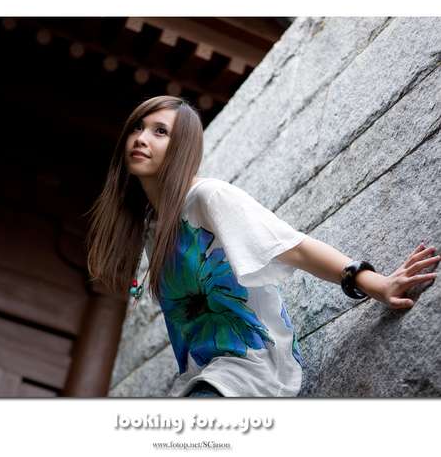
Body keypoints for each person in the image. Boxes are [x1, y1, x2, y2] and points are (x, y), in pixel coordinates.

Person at [86, 95, 439, 397]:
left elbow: (293, 247)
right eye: (137, 127)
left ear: (182, 147)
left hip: (248, 371)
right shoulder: (152, 227)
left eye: (160, 131)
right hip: (200, 380)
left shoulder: (207, 197)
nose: (141, 138)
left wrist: (376, 284)